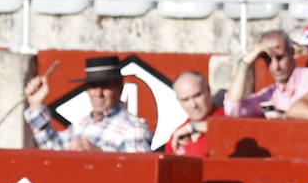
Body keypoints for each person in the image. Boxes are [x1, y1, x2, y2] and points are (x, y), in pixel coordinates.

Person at [23, 54, 152, 152]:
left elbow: (138, 177)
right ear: (87, 90)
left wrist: (97, 155)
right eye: (93, 86)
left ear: (120, 88)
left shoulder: (134, 129)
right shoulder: (81, 125)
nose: (98, 93)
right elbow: (53, 149)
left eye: (106, 86)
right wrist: (36, 105)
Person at [224, 31, 308, 119]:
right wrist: (245, 64)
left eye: (280, 57)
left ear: (292, 52)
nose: (276, 66)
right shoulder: (269, 96)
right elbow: (233, 110)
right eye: (268, 60)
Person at [166, 71, 218, 158]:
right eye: (185, 99)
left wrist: (193, 128)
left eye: (197, 95)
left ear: (208, 90)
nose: (193, 105)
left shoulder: (230, 116)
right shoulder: (176, 137)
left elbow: (233, 130)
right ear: (179, 101)